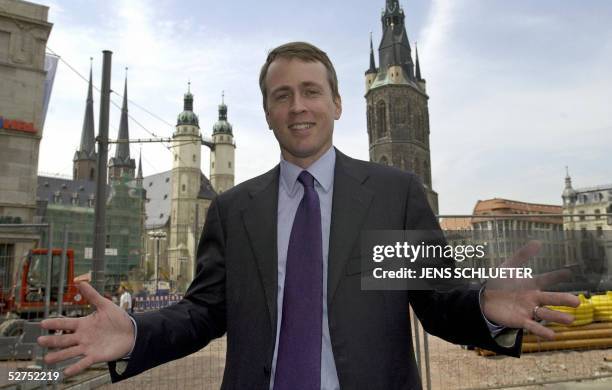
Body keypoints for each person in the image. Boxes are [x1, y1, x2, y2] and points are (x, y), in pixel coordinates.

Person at [38, 42, 579, 389]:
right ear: (269, 113)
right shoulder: (233, 209)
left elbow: (436, 304)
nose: (298, 106)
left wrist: (483, 306)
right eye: (282, 96)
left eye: (311, 92)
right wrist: (136, 333)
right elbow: (202, 314)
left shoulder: (392, 194)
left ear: (337, 104)